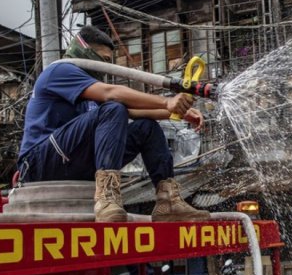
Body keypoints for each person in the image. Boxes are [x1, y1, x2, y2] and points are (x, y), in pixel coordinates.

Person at [16, 25, 209, 222]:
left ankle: (168, 201)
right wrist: (167, 102)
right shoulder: (60, 70)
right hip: (39, 163)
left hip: (74, 160)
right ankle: (107, 198)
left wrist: (175, 112)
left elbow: (132, 111)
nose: (107, 67)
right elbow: (112, 95)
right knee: (114, 107)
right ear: (85, 51)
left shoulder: (89, 89)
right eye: (105, 60)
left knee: (146, 127)